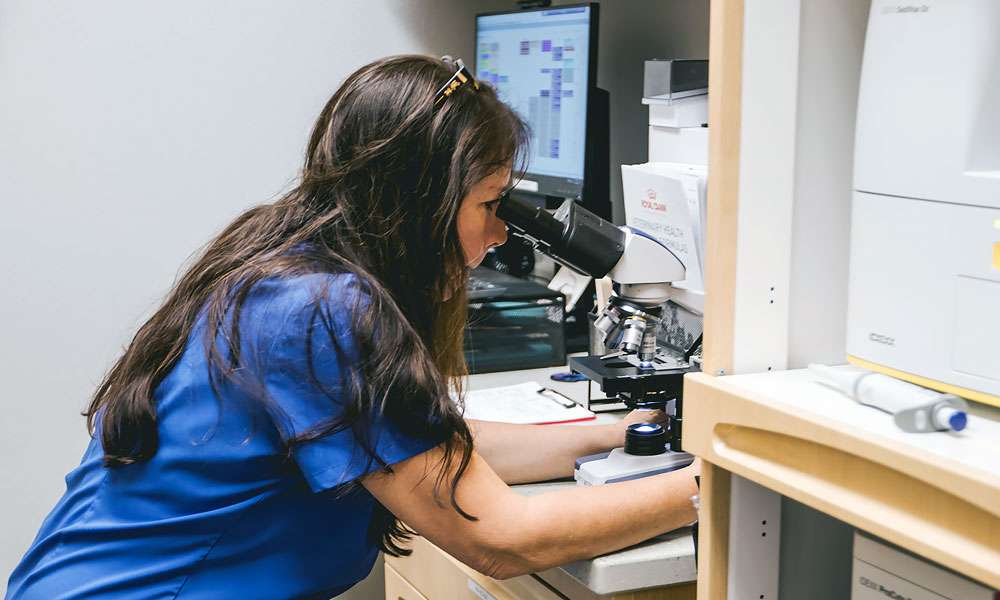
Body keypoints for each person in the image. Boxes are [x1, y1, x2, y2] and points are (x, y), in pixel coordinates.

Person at [6, 55, 699, 599]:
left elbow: (421, 442)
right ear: (420, 202)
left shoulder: (289, 261)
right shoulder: (320, 312)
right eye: (490, 204)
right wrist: (713, 487)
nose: (497, 232)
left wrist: (622, 434)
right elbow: (502, 538)